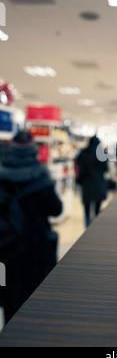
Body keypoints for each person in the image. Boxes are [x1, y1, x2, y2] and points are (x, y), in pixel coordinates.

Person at [0, 130, 62, 324]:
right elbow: (56, 209)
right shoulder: (41, 177)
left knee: (9, 297)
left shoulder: (2, 177)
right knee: (33, 298)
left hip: (6, 246)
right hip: (35, 246)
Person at [75, 136, 108, 227]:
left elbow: (80, 167)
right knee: (97, 208)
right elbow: (105, 169)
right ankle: (95, 226)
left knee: (87, 208)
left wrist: (79, 181)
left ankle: (87, 225)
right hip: (98, 183)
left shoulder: (84, 152)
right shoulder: (102, 154)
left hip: (87, 183)